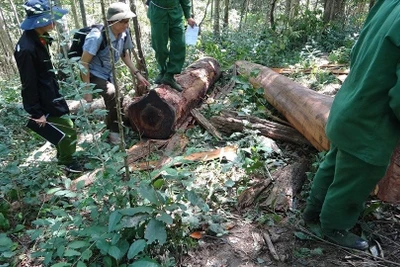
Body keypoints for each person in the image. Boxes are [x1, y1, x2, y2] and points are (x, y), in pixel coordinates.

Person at [302, 0, 400, 250]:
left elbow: (357, 50)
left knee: (335, 163)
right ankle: (334, 227)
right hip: (372, 121)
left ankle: (313, 213)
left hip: (349, 103)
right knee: (355, 178)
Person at [14, 0, 83, 173]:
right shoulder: (26, 48)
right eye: (49, 17)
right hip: (45, 99)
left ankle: (64, 159)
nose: (54, 21)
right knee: (68, 130)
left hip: (51, 92)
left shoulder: (39, 38)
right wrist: (36, 112)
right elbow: (28, 83)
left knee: (62, 129)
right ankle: (68, 162)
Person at [80, 2, 150, 145]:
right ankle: (114, 132)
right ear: (112, 22)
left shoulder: (124, 33)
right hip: (93, 73)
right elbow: (84, 63)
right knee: (112, 92)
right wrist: (87, 90)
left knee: (119, 98)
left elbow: (125, 55)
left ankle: (115, 126)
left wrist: (137, 74)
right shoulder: (97, 37)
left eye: (127, 21)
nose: (126, 24)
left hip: (108, 72)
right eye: (123, 21)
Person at [147, 0, 197, 91]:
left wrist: (188, 16)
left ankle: (170, 75)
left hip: (175, 14)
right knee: (159, 46)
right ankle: (163, 71)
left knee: (179, 44)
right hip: (157, 13)